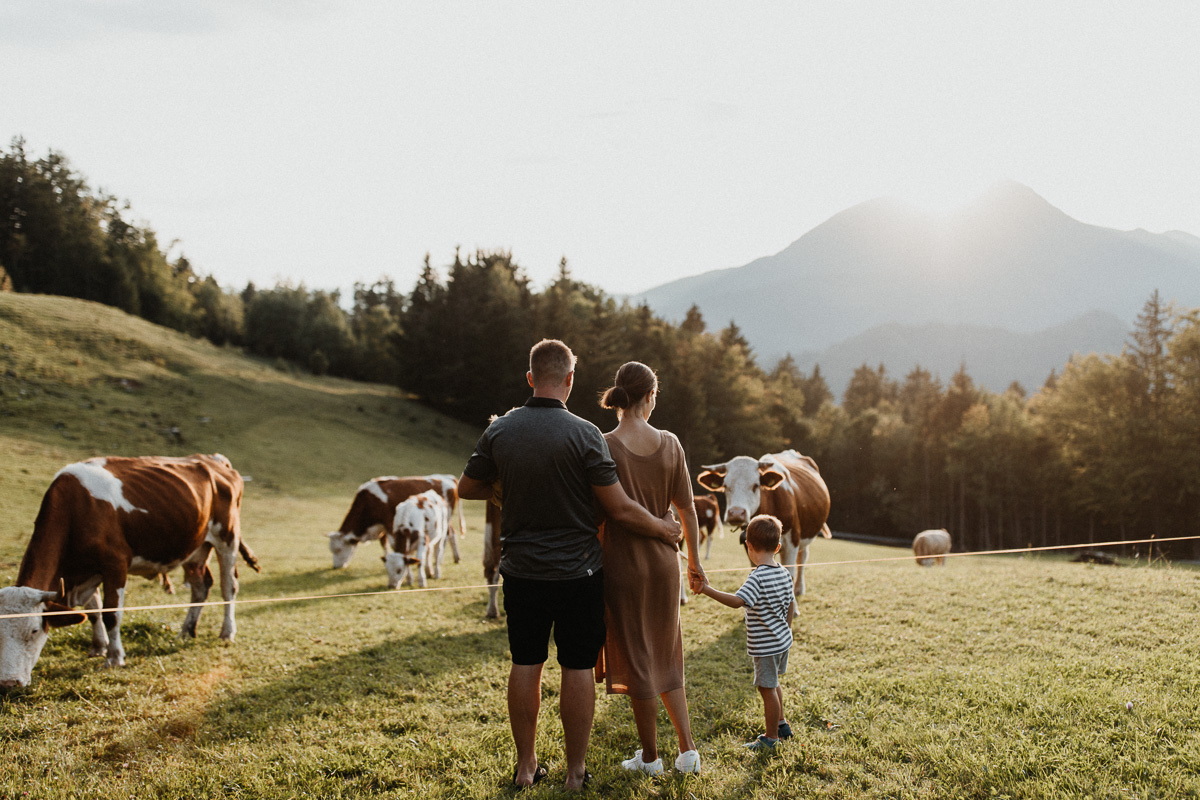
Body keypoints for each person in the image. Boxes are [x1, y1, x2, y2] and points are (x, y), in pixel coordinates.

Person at [457, 339, 682, 791]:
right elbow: (618, 508)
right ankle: (575, 773)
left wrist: (503, 490)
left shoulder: (500, 431)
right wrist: (662, 528)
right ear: (571, 379)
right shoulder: (585, 434)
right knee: (576, 667)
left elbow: (466, 487)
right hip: (579, 572)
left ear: (530, 378)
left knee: (526, 662)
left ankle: (526, 767)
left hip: (521, 570)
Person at [594, 361, 706, 775]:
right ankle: (688, 751)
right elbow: (688, 511)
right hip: (666, 565)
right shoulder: (671, 443)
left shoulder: (603, 444)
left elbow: (602, 513)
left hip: (623, 564)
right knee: (667, 653)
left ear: (621, 397)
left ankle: (650, 757)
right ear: (650, 398)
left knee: (638, 658)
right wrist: (694, 564)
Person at [696, 514, 796, 750]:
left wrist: (707, 589)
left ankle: (771, 738)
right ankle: (782, 724)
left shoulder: (757, 577)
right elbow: (791, 603)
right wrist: (787, 628)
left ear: (748, 546)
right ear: (778, 547)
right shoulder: (784, 572)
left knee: (767, 688)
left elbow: (737, 601)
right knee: (773, 683)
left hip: (767, 646)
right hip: (782, 642)